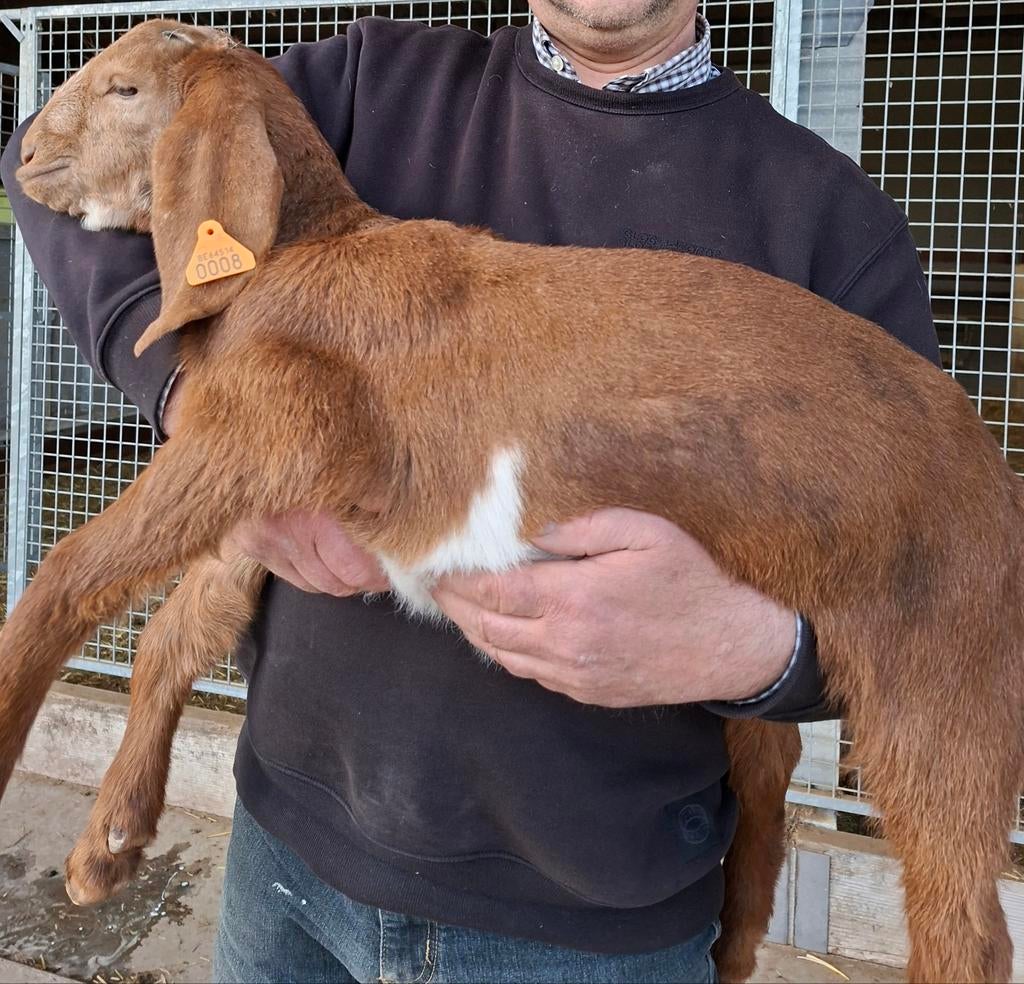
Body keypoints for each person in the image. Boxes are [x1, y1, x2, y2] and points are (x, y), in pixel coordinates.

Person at [2, 1, 939, 980]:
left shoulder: (828, 219)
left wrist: (753, 649)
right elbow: (44, 159)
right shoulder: (366, 84)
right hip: (289, 854)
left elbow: (925, 598)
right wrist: (199, 402)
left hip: (590, 927)